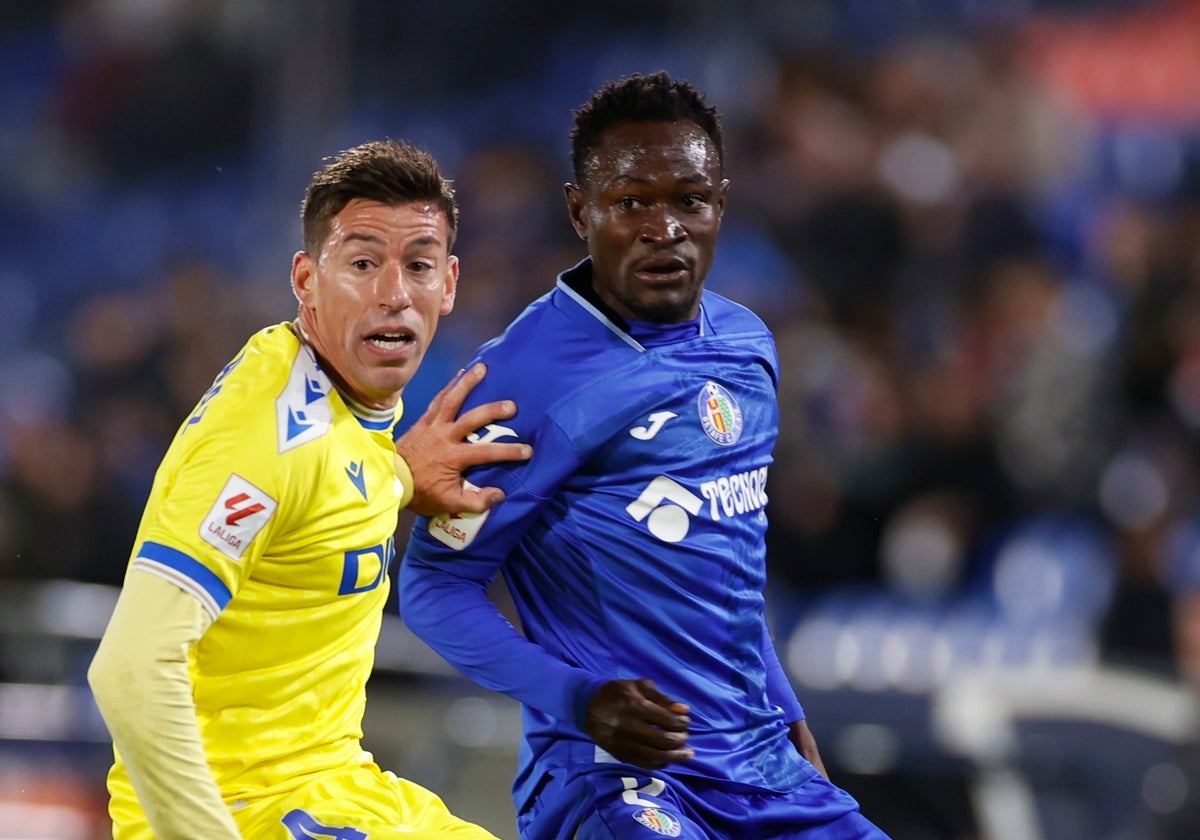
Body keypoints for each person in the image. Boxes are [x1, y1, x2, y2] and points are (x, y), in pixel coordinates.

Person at [399, 73, 890, 839]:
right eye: (631, 202)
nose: (664, 228)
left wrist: (785, 710)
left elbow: (722, 565)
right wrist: (579, 699)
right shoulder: (521, 383)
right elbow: (434, 586)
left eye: (688, 200)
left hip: (758, 766)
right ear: (579, 210)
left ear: (721, 204)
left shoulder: (747, 348)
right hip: (614, 778)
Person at [87, 139, 530, 839]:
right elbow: (129, 669)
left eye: (416, 265)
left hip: (338, 790)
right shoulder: (264, 436)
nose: (393, 292)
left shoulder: (346, 409)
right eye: (361, 263)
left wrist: (399, 475)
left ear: (447, 284)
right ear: (306, 278)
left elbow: (322, 495)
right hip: (240, 816)